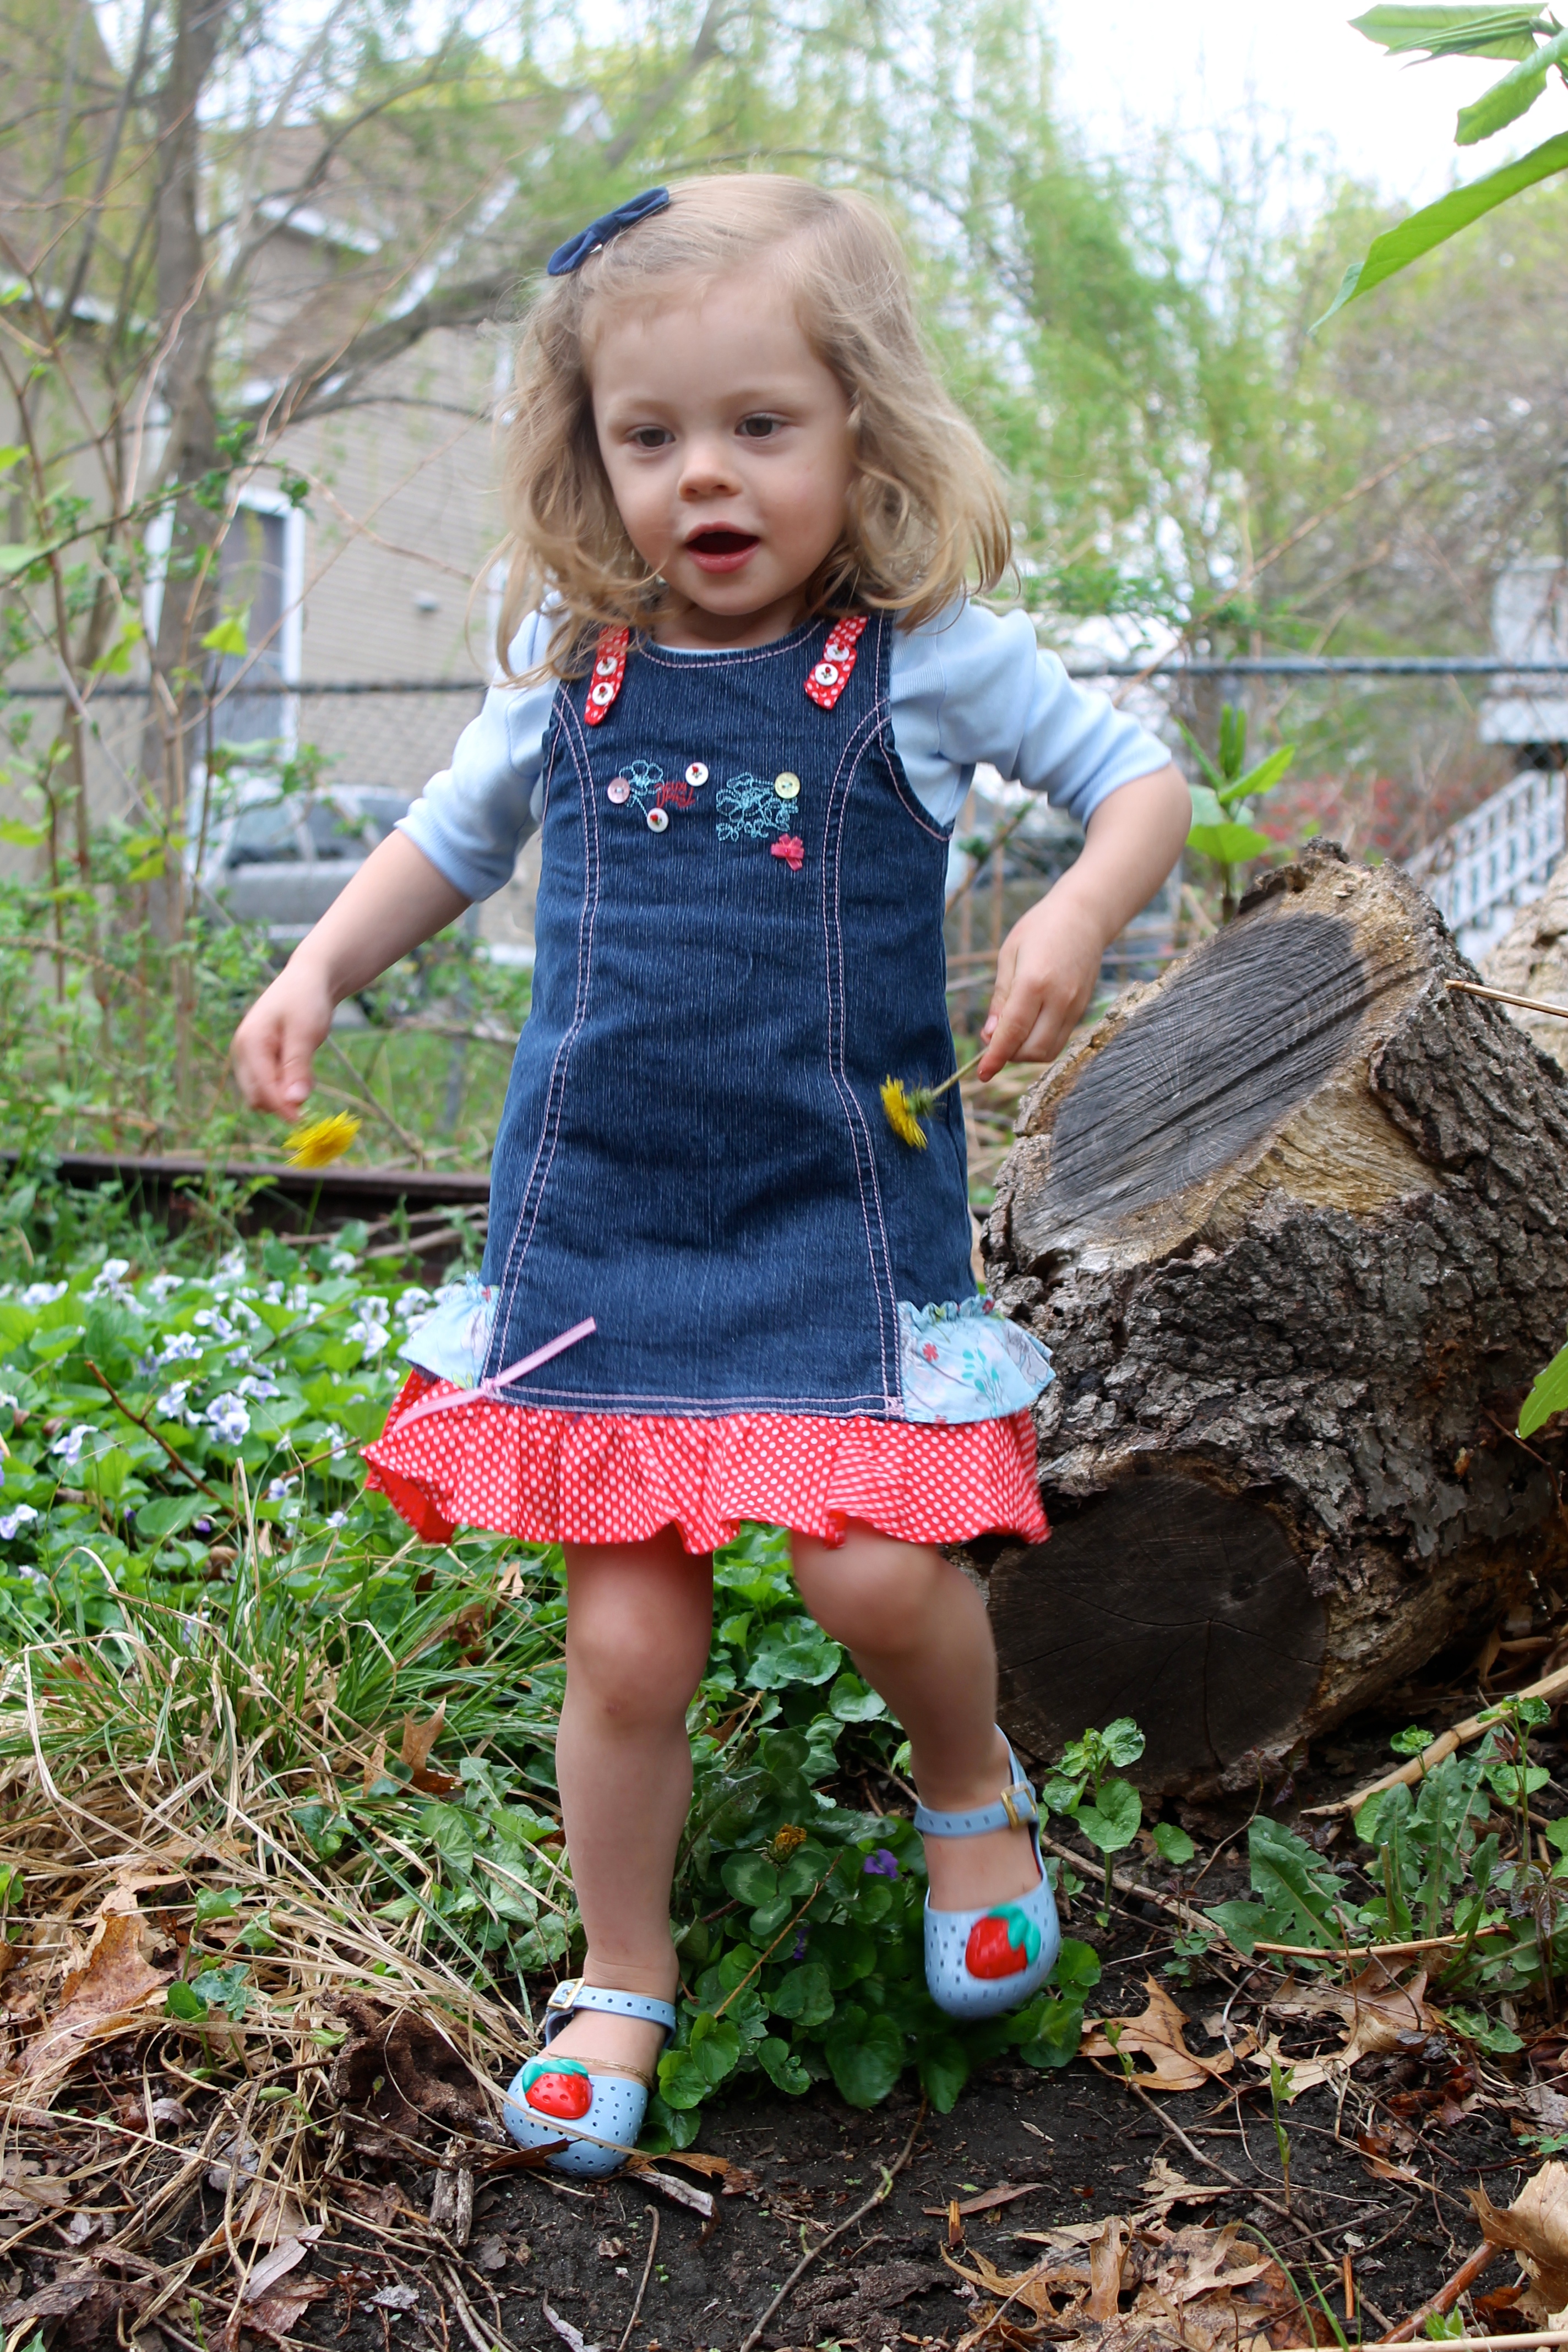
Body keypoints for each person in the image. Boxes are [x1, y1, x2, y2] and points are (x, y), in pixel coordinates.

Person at [231, 174, 1191, 2177]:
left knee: (873, 1569)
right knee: (629, 1645)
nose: (706, 477)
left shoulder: (922, 659)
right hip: (605, 1226)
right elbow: (451, 837)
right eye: (649, 435)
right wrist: (319, 964)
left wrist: (1077, 913)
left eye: (763, 426)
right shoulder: (568, 664)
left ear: (863, 428)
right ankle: (622, 1972)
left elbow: (1136, 778)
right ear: (590, 453)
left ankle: (970, 1791)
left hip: (832, 1222)